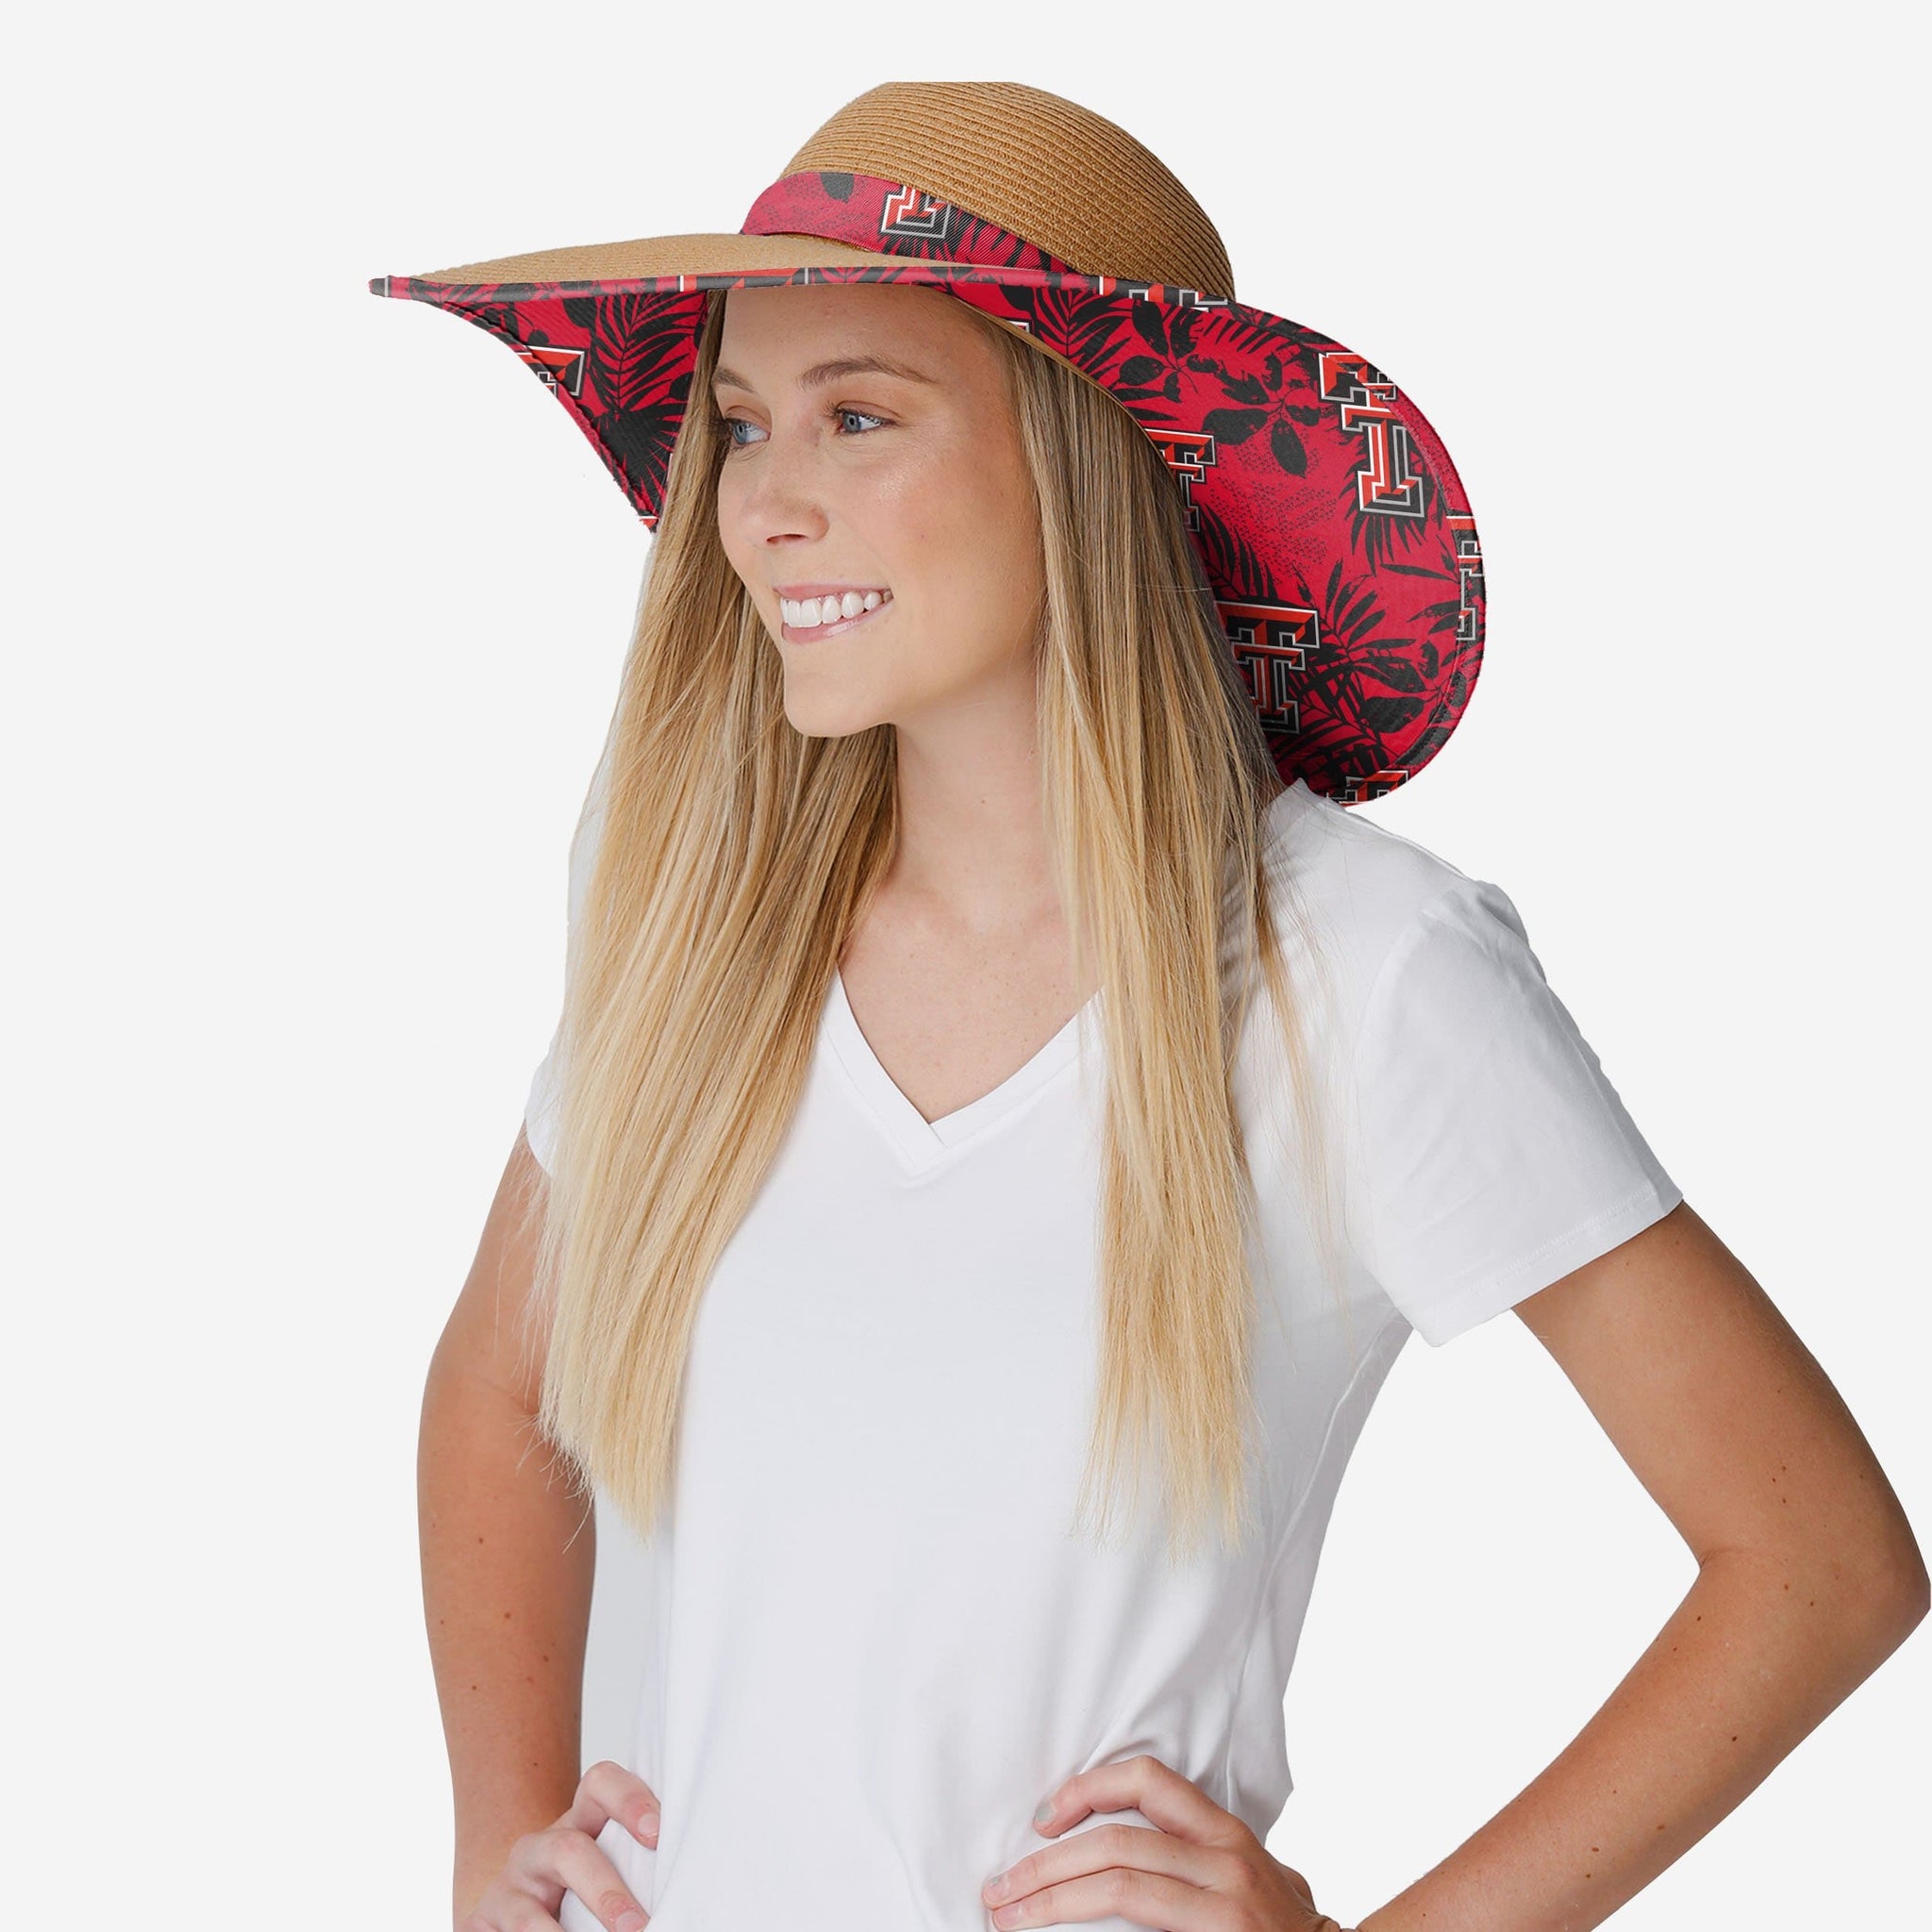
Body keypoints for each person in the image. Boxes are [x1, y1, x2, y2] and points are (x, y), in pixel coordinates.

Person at [391, 82, 1926, 1932]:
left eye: (858, 415)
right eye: (739, 422)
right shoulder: (705, 917)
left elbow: (1814, 1561)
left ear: (1085, 453)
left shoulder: (1355, 974)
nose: (764, 506)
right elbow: (500, 1385)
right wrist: (496, 1843)